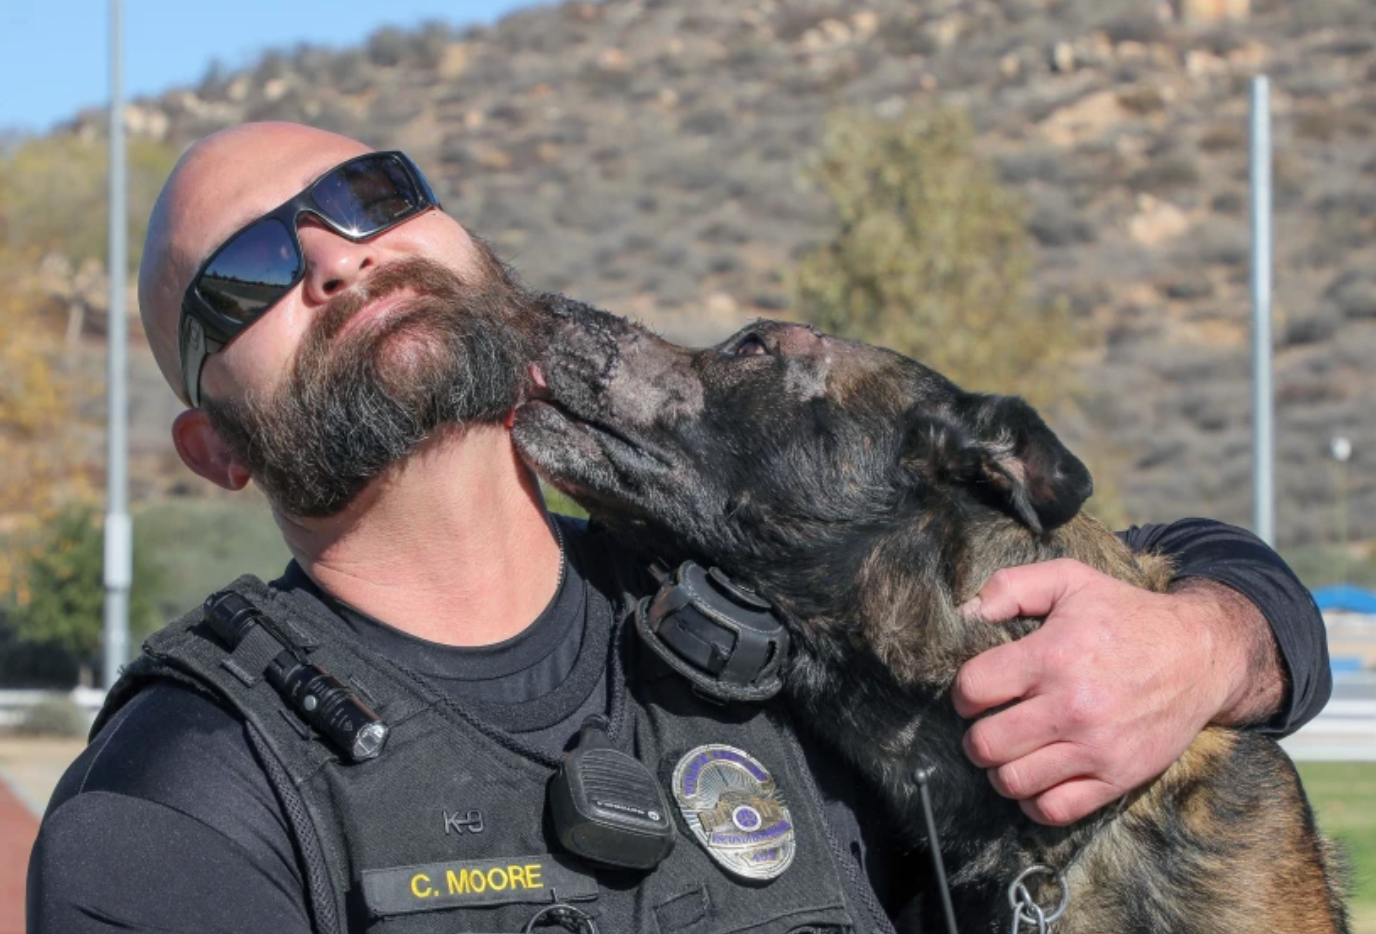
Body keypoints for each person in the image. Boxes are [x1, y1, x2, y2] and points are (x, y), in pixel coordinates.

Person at [26, 123, 1329, 934]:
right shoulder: (186, 796)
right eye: (246, 278)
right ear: (213, 448)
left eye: (370, 192)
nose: (333, 253)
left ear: (471, 248)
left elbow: (1141, 563)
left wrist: (1209, 643)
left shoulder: (768, 623)